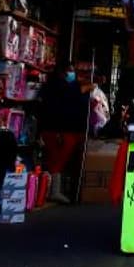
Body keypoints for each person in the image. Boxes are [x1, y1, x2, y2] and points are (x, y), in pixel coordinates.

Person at [39, 63, 89, 203]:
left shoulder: (52, 86)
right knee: (57, 159)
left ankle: (51, 190)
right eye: (70, 71)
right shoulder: (63, 88)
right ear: (63, 73)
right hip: (60, 129)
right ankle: (53, 191)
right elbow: (62, 110)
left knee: (55, 159)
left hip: (53, 128)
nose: (72, 74)